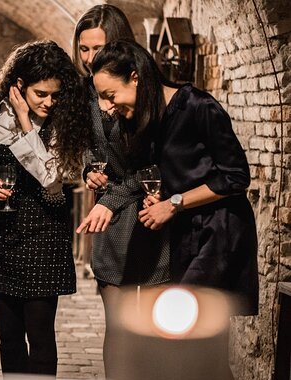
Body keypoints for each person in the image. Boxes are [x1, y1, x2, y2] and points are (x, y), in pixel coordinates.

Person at [91, 40, 258, 318]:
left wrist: (173, 203)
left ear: (135, 77)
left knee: (187, 324)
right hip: (183, 231)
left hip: (217, 231)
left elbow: (237, 176)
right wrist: (160, 196)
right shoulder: (149, 118)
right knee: (187, 333)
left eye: (111, 95)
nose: (108, 106)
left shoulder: (198, 106)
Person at [0, 41, 92, 376]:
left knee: (40, 338)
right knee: (9, 339)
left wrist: (26, 120)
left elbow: (51, 178)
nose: (49, 102)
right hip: (0, 236)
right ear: (19, 85)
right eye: (41, 94)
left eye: (55, 95)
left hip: (44, 240)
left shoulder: (64, 123)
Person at [73, 5, 170, 377]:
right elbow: (83, 144)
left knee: (154, 328)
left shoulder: (146, 92)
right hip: (110, 225)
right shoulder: (85, 92)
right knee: (117, 327)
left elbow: (155, 162)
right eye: (83, 49)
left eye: (98, 47)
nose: (90, 57)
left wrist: (111, 199)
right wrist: (87, 169)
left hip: (147, 212)